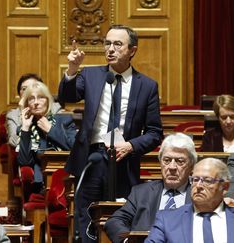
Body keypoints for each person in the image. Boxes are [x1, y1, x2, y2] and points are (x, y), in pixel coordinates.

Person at [58, 24, 163, 242]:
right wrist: (71, 68)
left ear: (132, 50)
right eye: (107, 43)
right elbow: (67, 95)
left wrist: (131, 145)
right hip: (92, 158)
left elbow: (154, 132)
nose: (110, 49)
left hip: (124, 163)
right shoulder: (91, 75)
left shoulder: (147, 86)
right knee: (86, 219)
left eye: (117, 44)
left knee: (120, 219)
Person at [145, 158, 234, 243]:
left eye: (207, 181)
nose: (198, 186)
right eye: (195, 179)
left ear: (224, 187)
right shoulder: (167, 220)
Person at [104, 133, 196, 243]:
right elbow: (115, 221)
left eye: (180, 161)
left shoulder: (199, 193)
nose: (172, 167)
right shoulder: (141, 193)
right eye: (166, 160)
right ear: (160, 163)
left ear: (191, 165)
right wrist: (127, 241)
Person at [17, 81, 76, 193]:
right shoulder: (24, 128)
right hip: (41, 184)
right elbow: (25, 162)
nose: (36, 102)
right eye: (31, 99)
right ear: (27, 105)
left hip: (68, 178)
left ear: (48, 101)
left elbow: (75, 148)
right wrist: (25, 127)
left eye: (40, 98)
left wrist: (51, 130)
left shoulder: (64, 121)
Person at [6, 73, 63, 148]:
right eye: (24, 89)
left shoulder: (55, 108)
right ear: (19, 93)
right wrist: (24, 114)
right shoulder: (13, 115)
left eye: (33, 86)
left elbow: (63, 137)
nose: (29, 91)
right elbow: (13, 142)